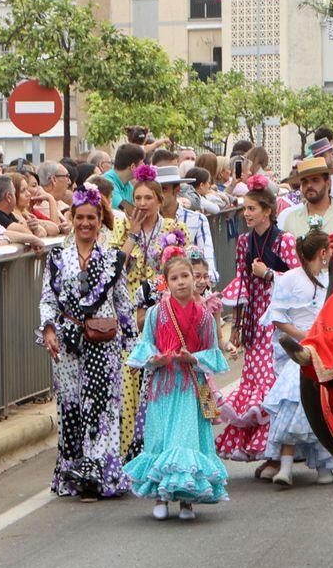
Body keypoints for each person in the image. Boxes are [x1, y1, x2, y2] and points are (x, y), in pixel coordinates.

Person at [39, 185, 135, 500]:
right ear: (72, 218)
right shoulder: (57, 257)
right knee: (70, 408)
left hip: (104, 343)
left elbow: (123, 304)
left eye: (91, 217)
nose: (85, 223)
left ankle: (99, 476)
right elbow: (47, 299)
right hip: (67, 344)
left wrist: (133, 347)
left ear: (100, 220)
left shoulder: (112, 259)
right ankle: (73, 475)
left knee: (102, 407)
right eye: (80, 217)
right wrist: (48, 329)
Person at [122, 246, 229, 520]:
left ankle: (186, 501)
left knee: (186, 439)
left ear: (195, 279)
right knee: (161, 439)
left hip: (192, 385)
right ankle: (161, 497)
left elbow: (213, 352)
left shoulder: (204, 316)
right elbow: (146, 345)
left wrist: (193, 358)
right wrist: (154, 359)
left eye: (185, 276)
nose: (181, 282)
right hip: (163, 385)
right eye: (175, 278)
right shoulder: (155, 314)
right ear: (166, 283)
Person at [218, 182, 300, 472]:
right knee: (255, 382)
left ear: (268, 211)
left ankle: (276, 453)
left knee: (271, 384)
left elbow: (297, 281)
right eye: (244, 209)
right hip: (254, 319)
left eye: (252, 208)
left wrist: (268, 274)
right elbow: (241, 282)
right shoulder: (244, 242)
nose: (247, 214)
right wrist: (237, 324)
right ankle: (265, 451)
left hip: (278, 319)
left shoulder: (285, 241)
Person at [117, 170, 190, 460]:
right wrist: (133, 235)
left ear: (160, 200)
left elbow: (181, 268)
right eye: (138, 198)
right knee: (130, 378)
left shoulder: (174, 227)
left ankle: (161, 448)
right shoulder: (124, 228)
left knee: (161, 379)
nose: (143, 203)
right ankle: (130, 453)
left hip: (164, 309)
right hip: (130, 309)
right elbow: (115, 267)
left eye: (148, 197)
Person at [261, 231, 333, 487]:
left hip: (325, 347)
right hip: (300, 348)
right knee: (293, 401)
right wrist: (302, 335)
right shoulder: (290, 278)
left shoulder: (330, 278)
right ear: (323, 253)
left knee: (323, 404)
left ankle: (324, 467)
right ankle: (285, 467)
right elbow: (276, 316)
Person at [279, 156, 333, 238]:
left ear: (328, 183)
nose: (309, 185)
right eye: (305, 182)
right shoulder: (291, 219)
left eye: (315, 180)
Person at [101, 142, 145, 211]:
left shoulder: (128, 184)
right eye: (142, 163)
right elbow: (123, 207)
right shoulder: (106, 181)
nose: (144, 165)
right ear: (133, 167)